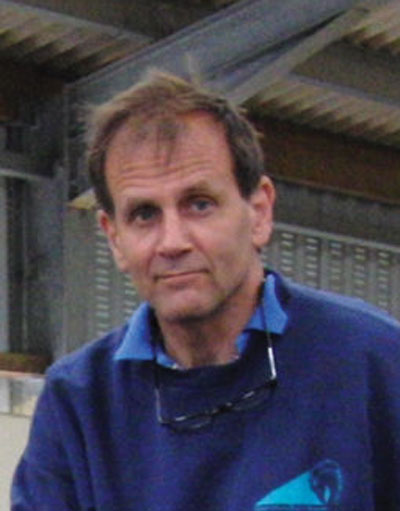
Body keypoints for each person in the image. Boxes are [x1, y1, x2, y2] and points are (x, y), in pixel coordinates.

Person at [11, 71, 400, 511]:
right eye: (144, 214)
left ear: (259, 212)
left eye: (199, 204)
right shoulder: (79, 402)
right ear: (114, 237)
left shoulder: (373, 362)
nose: (173, 241)